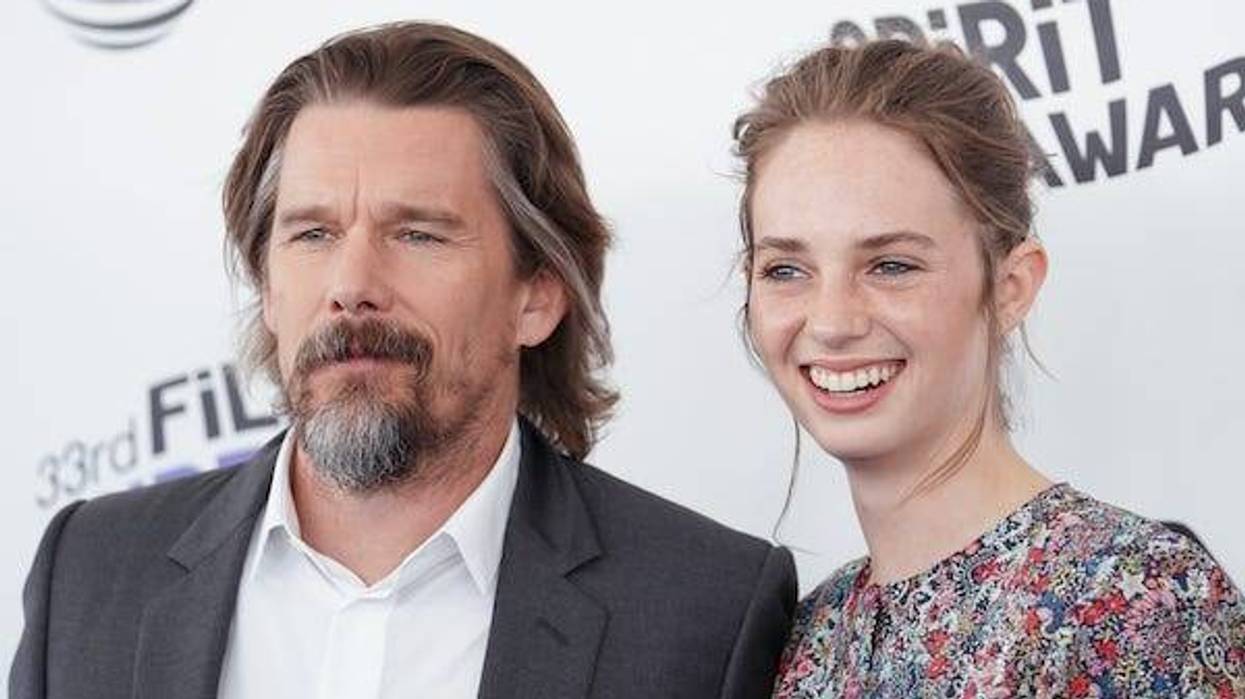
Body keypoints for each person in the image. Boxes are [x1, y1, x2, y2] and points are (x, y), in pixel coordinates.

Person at [11, 22, 796, 699]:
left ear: (537, 294)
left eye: (418, 234)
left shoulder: (704, 608)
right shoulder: (93, 573)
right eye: (312, 234)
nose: (352, 286)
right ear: (268, 286)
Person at [732, 39, 1245, 697]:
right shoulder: (806, 636)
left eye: (891, 265)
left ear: (1010, 286)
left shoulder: (1134, 596)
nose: (831, 321)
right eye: (785, 269)